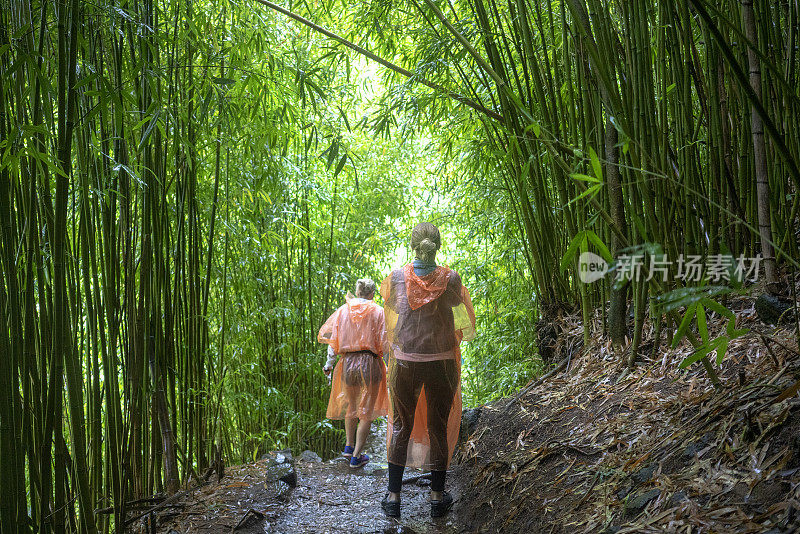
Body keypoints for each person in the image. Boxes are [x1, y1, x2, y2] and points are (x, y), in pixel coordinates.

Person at [379, 223, 476, 518]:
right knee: (438, 426)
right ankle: (436, 498)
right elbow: (463, 323)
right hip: (442, 362)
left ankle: (394, 498)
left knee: (401, 425)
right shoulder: (451, 279)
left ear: (413, 245)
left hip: (406, 361)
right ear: (438, 245)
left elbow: (392, 322)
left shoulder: (396, 278)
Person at [318, 278, 388, 468]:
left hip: (347, 362)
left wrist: (329, 364)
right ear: (372, 294)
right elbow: (385, 341)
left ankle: (349, 447)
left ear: (357, 292)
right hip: (369, 362)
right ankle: (357, 456)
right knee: (366, 412)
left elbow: (333, 341)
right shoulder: (379, 311)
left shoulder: (343, 310)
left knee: (351, 405)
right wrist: (389, 365)